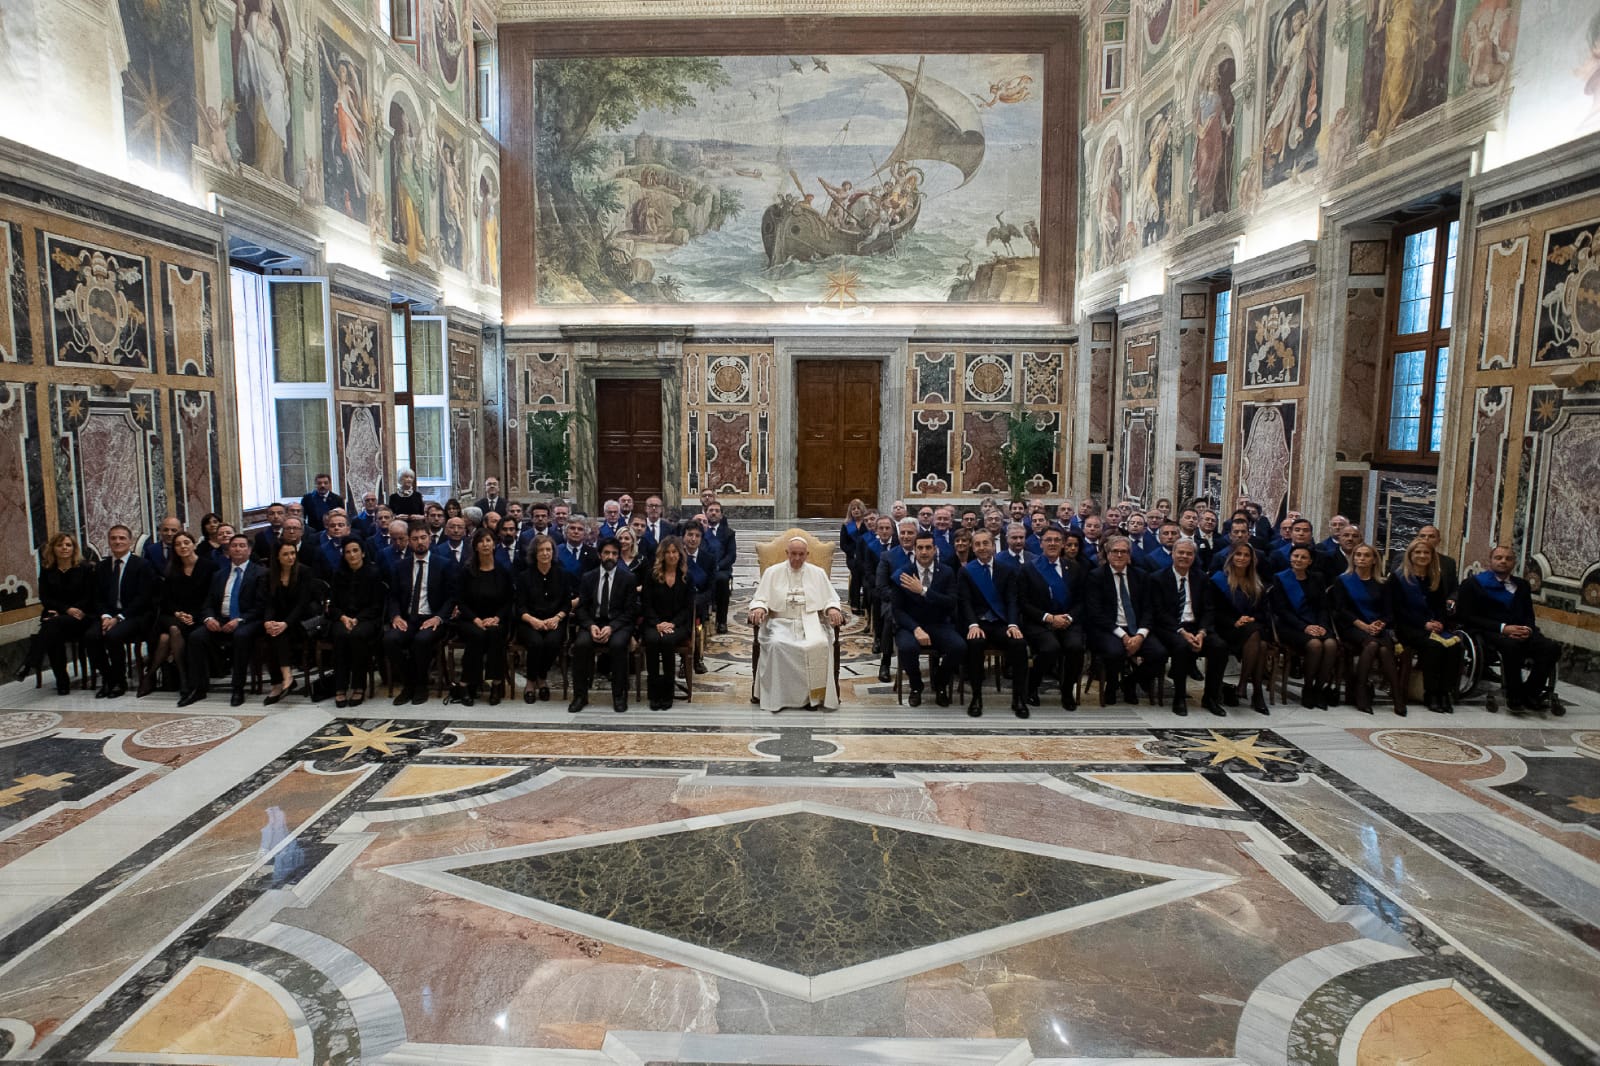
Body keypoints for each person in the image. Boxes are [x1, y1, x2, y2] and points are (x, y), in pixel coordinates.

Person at [1456, 545, 1561, 715]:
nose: (1503, 561)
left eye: (1508, 558)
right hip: (1489, 631)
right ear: (1490, 561)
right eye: (1498, 558)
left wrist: (1527, 628)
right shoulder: (1473, 585)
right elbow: (1466, 617)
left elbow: (1529, 614)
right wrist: (1503, 628)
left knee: (1551, 648)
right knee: (1511, 646)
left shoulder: (1522, 585)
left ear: (1514, 563)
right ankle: (1515, 696)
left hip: (1520, 630)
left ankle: (1531, 692)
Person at [748, 536, 844, 713]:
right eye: (793, 554)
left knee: (819, 644)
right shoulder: (772, 572)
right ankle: (778, 698)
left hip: (811, 622)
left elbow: (831, 598)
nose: (797, 558)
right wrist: (760, 608)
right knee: (776, 645)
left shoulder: (818, 573)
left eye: (801, 554)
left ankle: (813, 698)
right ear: (787, 553)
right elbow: (760, 598)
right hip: (779, 622)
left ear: (807, 554)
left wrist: (832, 609)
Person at [184, 534, 267, 707]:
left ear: (250, 550)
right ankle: (198, 688)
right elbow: (207, 602)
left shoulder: (260, 573)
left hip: (247, 621)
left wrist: (239, 620)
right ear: (228, 550)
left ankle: (238, 688)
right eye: (234, 546)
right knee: (196, 637)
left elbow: (261, 606)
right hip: (221, 619)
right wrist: (208, 618)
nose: (237, 549)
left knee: (241, 636)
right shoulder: (219, 575)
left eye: (242, 546)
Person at [1085, 536, 1167, 705]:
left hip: (1137, 628)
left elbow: (1148, 609)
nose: (1120, 555)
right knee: (1115, 652)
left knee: (1159, 653)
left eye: (1124, 552)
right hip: (1109, 629)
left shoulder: (1141, 576)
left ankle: (1130, 683)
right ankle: (1112, 685)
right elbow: (1096, 613)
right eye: (1115, 551)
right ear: (1107, 554)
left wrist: (1140, 635)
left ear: (1130, 555)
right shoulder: (1096, 576)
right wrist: (1123, 636)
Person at [1386, 537, 1464, 714]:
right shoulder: (1398, 578)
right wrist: (1424, 624)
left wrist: (1440, 622)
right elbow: (1397, 609)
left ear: (1432, 556)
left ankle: (1444, 692)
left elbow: (1440, 607)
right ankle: (1431, 693)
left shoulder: (1435, 578)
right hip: (1407, 627)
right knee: (1434, 646)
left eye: (1426, 552)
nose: (1422, 555)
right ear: (1410, 555)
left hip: (1433, 626)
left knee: (1456, 646)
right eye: (1418, 552)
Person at [957, 529, 1030, 717]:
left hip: (1000, 623)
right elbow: (964, 602)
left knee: (1019, 644)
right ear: (973, 548)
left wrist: (1013, 624)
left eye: (985, 543)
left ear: (993, 546)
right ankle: (976, 697)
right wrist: (972, 624)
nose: (982, 547)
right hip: (978, 623)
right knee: (974, 644)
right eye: (978, 544)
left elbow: (1012, 600)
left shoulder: (1006, 570)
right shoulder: (966, 571)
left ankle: (1019, 698)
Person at [1152, 539, 1227, 716]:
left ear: (1194, 557)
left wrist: (1202, 632)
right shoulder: (1158, 578)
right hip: (1171, 627)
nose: (1184, 556)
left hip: (1197, 626)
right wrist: (1181, 632)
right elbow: (1159, 612)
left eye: (1189, 553)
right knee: (1181, 646)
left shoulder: (1202, 578)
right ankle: (1179, 697)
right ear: (1172, 554)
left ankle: (1211, 697)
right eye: (1181, 552)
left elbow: (1209, 609)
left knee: (1219, 647)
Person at [385, 523, 458, 706]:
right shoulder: (400, 566)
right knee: (390, 639)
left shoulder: (443, 564)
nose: (420, 542)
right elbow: (392, 596)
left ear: (430, 539)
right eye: (415, 539)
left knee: (421, 641)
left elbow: (451, 597)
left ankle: (421, 685)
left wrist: (439, 617)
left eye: (423, 538)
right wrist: (395, 616)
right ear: (409, 541)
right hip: (408, 618)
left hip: (433, 618)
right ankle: (408, 683)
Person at [891, 532, 965, 708]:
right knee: (908, 647)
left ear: (935, 549)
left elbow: (951, 602)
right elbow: (897, 610)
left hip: (938, 623)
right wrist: (915, 628)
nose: (924, 552)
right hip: (910, 626)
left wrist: (923, 591)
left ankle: (940, 683)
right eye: (920, 548)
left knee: (959, 647)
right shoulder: (903, 574)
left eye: (928, 548)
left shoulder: (946, 572)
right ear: (914, 550)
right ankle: (916, 686)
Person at [139, 531, 216, 699]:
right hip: (173, 615)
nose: (182, 546)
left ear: (194, 544)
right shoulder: (172, 568)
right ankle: (183, 679)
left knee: (167, 638)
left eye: (186, 542)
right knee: (173, 629)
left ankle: (150, 675)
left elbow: (210, 597)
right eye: (178, 544)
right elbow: (166, 600)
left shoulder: (208, 566)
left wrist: (193, 616)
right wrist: (178, 613)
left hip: (198, 616)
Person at [15, 533, 95, 694]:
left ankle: (31, 664)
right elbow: (45, 597)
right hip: (57, 617)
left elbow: (90, 596)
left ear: (74, 548)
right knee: (53, 633)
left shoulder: (85, 568)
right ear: (53, 549)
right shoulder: (47, 570)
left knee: (51, 626)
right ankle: (61, 679)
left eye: (68, 545)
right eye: (60, 545)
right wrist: (64, 611)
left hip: (81, 617)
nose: (64, 548)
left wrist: (69, 611)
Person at [85, 525, 158, 699]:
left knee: (113, 636)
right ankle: (109, 678)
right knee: (90, 636)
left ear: (130, 542)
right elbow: (97, 597)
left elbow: (143, 598)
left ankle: (119, 681)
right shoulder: (101, 567)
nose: (118, 541)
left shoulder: (142, 565)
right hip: (108, 615)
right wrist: (105, 616)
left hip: (134, 615)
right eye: (114, 538)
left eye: (122, 538)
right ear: (109, 541)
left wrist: (119, 617)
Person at [1332, 542, 1403, 715]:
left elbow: (1389, 612)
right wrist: (1363, 625)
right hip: (1352, 627)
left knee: (1385, 650)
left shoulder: (1382, 583)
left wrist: (1380, 624)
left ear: (1374, 560)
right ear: (1353, 558)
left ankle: (1398, 696)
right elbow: (1340, 610)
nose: (1361, 558)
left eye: (1366, 555)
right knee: (1372, 645)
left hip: (1377, 628)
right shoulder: (1343, 580)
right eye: (1358, 555)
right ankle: (1361, 691)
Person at [569, 538, 638, 714]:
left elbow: (630, 611)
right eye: (606, 553)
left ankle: (619, 696)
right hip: (594, 623)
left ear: (618, 556)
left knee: (618, 644)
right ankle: (580, 696)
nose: (610, 557)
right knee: (581, 645)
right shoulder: (588, 577)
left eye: (614, 554)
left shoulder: (628, 578)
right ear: (600, 555)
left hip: (619, 624)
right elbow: (582, 608)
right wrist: (590, 625)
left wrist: (612, 627)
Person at [1019, 526, 1085, 711]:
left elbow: (1081, 600)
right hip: (1039, 622)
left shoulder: (1073, 567)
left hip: (1067, 621)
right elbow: (1023, 603)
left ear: (1063, 544)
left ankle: (1066, 691)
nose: (1053, 543)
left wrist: (1069, 618)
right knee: (1050, 648)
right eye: (1048, 540)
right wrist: (1049, 618)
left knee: (1075, 647)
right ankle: (1032, 686)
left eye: (1057, 540)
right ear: (1041, 544)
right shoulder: (1028, 569)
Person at [1271, 544, 1339, 708]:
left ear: (1310, 561)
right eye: (1295, 556)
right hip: (1291, 626)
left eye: (1303, 557)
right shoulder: (1280, 578)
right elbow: (1282, 611)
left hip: (1317, 624)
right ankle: (1308, 688)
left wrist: (1322, 625)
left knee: (1330, 644)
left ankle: (1318, 688)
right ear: (1290, 558)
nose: (1298, 560)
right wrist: (1304, 627)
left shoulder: (1317, 578)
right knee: (1315, 645)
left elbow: (1323, 607)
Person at [1210, 543, 1273, 714]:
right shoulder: (1218, 580)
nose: (1242, 558)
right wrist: (1234, 622)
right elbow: (1214, 611)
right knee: (1259, 642)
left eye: (1246, 555)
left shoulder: (1257, 583)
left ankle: (1245, 685)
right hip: (1227, 629)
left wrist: (1252, 618)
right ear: (1231, 557)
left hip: (1252, 628)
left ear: (1252, 559)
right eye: (1238, 554)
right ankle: (1254, 692)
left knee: (1258, 640)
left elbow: (1264, 613)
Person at [453, 528, 513, 706]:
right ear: (475, 546)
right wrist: (475, 619)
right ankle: (466, 683)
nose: (485, 544)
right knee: (478, 635)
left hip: (496, 619)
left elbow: (509, 600)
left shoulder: (503, 571)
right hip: (470, 619)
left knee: (494, 634)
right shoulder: (467, 571)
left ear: (494, 544)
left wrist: (497, 618)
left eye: (488, 540)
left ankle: (496, 683)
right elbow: (461, 601)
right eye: (481, 541)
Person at [328, 538, 385, 708]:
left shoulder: (373, 573)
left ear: (363, 552)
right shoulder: (338, 574)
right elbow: (333, 605)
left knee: (358, 636)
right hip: (343, 618)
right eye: (348, 552)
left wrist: (357, 619)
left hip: (367, 619)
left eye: (355, 550)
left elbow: (376, 605)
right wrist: (343, 617)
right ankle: (340, 687)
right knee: (339, 635)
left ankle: (359, 686)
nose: (352, 555)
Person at [640, 535, 694, 711]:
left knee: (668, 641)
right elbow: (646, 604)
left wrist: (672, 624)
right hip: (653, 623)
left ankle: (668, 691)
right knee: (654, 641)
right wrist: (657, 623)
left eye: (675, 552)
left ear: (680, 555)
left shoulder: (686, 577)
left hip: (678, 625)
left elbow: (687, 608)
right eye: (668, 552)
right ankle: (654, 692)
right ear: (662, 555)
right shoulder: (651, 575)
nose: (671, 556)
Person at [515, 534, 569, 703]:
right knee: (536, 643)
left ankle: (541, 677)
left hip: (555, 621)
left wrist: (558, 618)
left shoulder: (562, 575)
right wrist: (533, 620)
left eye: (548, 549)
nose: (545, 553)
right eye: (541, 550)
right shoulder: (524, 577)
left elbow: (566, 604)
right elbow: (519, 606)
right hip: (530, 622)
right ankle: (532, 681)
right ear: (534, 553)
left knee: (552, 643)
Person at [702, 500, 737, 633]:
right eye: (711, 510)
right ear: (706, 513)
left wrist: (717, 566)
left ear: (721, 515)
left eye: (717, 511)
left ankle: (721, 621)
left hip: (720, 569)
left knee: (722, 581)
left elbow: (731, 556)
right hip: (703, 569)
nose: (714, 513)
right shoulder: (699, 531)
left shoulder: (729, 533)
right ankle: (701, 616)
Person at [840, 498, 867, 612]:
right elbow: (843, 544)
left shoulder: (868, 524)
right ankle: (855, 603)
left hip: (866, 557)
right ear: (850, 511)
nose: (856, 511)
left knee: (865, 572)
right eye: (853, 509)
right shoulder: (847, 525)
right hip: (853, 558)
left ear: (862, 510)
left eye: (858, 508)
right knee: (856, 572)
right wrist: (854, 553)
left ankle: (865, 602)